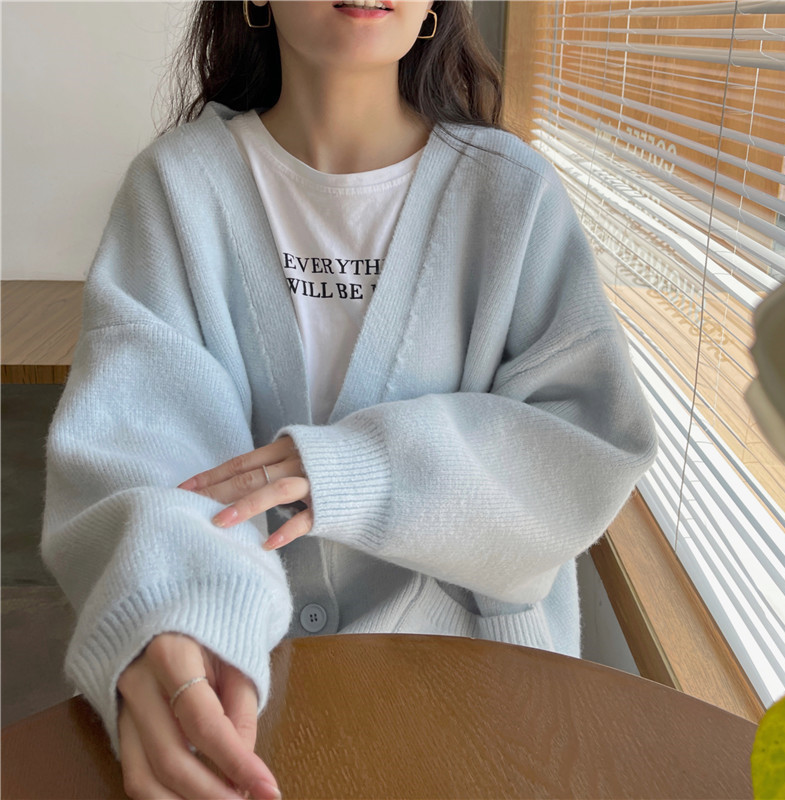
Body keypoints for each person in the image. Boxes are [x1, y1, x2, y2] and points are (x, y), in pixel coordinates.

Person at [42, 1, 658, 798]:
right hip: (244, 712)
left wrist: (356, 470)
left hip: (487, 715)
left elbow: (584, 447)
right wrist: (174, 608)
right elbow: (141, 450)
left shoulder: (512, 193)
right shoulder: (176, 188)